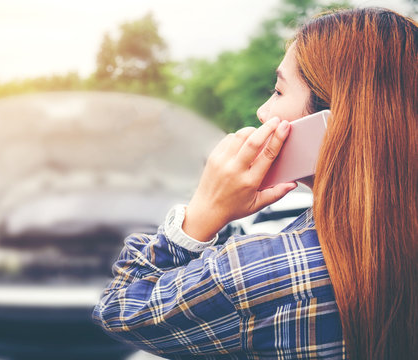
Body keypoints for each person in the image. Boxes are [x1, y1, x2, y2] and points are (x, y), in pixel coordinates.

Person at [92, 7, 417, 360]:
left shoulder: (258, 270)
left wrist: (203, 211)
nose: (263, 112)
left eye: (278, 91)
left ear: (330, 123)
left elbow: (121, 308)